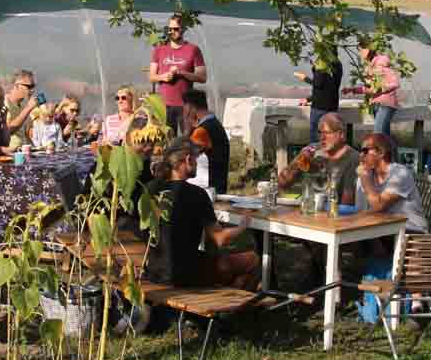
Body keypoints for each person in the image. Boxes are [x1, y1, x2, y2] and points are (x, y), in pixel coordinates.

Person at [145, 139, 259, 289]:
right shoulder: (197, 194)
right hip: (185, 274)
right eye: (197, 159)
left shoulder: (150, 188)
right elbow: (220, 239)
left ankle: (227, 302)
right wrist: (244, 224)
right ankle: (234, 307)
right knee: (252, 259)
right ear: (188, 160)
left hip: (154, 270)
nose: (198, 164)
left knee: (217, 262)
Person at [276, 112, 358, 205]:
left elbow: (347, 204)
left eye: (327, 133)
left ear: (341, 134)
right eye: (320, 132)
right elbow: (282, 183)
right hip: (308, 209)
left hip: (333, 214)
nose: (322, 137)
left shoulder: (353, 158)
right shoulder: (312, 150)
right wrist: (298, 163)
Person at [356, 133, 428, 233]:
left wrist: (364, 178)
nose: (361, 155)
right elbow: (361, 211)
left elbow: (378, 206)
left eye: (365, 151)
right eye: (360, 150)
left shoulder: (400, 173)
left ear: (381, 153)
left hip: (411, 230)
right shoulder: (367, 175)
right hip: (385, 229)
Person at [149, 14, 206, 133]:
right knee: (167, 141)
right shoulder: (159, 49)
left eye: (176, 29)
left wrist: (182, 73)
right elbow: (151, 76)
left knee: (188, 140)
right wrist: (163, 77)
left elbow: (202, 77)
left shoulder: (193, 49)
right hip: (164, 105)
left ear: (183, 29)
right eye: (169, 29)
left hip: (185, 105)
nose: (172, 32)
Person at [183, 89, 229, 195]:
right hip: (217, 186)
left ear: (190, 107)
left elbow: (184, 155)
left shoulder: (202, 131)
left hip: (207, 189)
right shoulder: (214, 124)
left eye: (184, 108)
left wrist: (187, 128)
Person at [351, 46, 402, 135]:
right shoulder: (370, 68)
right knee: (384, 134)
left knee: (378, 132)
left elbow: (395, 83)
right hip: (376, 104)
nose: (361, 53)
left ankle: (384, 148)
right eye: (359, 50)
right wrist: (353, 90)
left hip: (386, 104)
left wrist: (382, 88)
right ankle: (390, 148)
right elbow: (371, 89)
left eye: (362, 49)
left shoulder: (382, 64)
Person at [296, 45, 342, 143]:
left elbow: (318, 84)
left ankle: (317, 157)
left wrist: (304, 78)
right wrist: (308, 99)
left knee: (316, 139)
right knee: (332, 139)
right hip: (333, 106)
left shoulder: (322, 64)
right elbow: (329, 88)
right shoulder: (338, 64)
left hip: (319, 108)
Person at [3, 69, 44, 141]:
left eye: (33, 86)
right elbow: (7, 131)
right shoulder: (4, 103)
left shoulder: (23, 105)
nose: (32, 90)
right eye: (29, 86)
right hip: (11, 150)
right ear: (17, 85)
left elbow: (26, 135)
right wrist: (28, 108)